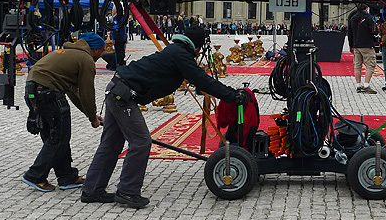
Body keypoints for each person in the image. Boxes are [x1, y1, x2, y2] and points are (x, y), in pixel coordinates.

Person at [81, 26, 245, 208]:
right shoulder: (181, 55)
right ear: (197, 47)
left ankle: (92, 190)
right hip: (124, 96)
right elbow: (203, 80)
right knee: (141, 142)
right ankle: (127, 191)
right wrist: (232, 96)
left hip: (116, 89)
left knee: (110, 144)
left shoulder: (176, 50)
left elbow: (199, 80)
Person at [21, 32, 106, 192]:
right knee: (58, 138)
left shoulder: (68, 53)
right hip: (48, 92)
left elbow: (74, 92)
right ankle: (35, 175)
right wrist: (93, 118)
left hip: (34, 90)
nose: (102, 55)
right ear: (94, 49)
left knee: (56, 136)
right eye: (102, 51)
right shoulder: (86, 59)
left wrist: (91, 116)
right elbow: (87, 91)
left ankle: (67, 177)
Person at [347, 3, 377, 94]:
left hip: (356, 45)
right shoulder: (368, 18)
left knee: (357, 65)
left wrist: (351, 45)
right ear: (366, 9)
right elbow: (373, 31)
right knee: (370, 64)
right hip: (367, 45)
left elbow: (350, 33)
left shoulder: (353, 19)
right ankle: (366, 85)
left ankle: (358, 85)